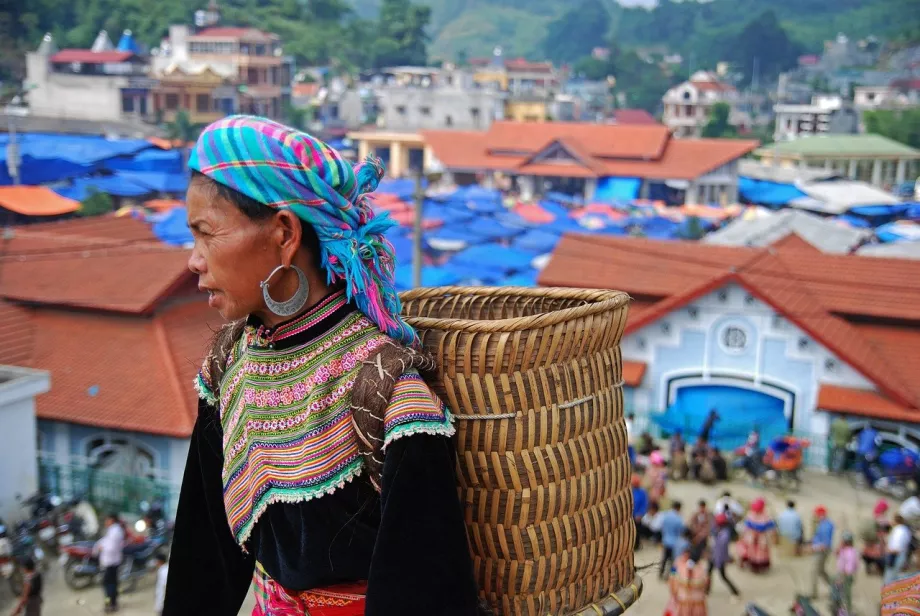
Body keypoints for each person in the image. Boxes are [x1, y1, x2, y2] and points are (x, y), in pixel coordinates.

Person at [163, 117, 479, 616]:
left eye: (206, 234)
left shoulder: (390, 394)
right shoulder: (228, 364)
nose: (194, 261)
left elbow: (426, 596)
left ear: (285, 232)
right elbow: (202, 567)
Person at [94, 513, 125, 613]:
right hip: (112, 561)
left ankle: (111, 604)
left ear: (111, 520)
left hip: (111, 561)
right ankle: (112, 603)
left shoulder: (115, 531)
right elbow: (106, 541)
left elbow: (111, 547)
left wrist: (101, 547)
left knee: (109, 584)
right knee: (112, 583)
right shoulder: (113, 530)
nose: (105, 522)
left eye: (107, 520)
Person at [737, 498, 776, 573]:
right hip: (762, 539)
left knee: (752, 552)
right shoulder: (766, 517)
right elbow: (771, 528)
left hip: (751, 538)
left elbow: (745, 527)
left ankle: (753, 566)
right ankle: (760, 567)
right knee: (761, 553)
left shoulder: (750, 515)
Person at [665, 550, 710, 616]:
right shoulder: (702, 568)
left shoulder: (679, 565)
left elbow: (672, 579)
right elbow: (706, 582)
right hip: (697, 600)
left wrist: (674, 593)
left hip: (684, 600)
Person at [708, 514, 740, 601]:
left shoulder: (725, 535)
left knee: (723, 576)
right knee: (708, 573)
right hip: (713, 556)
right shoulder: (719, 530)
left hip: (719, 559)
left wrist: (721, 561)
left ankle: (735, 592)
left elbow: (721, 550)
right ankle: (707, 589)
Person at [811, 506, 835, 599]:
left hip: (822, 551)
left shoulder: (826, 525)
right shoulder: (823, 523)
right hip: (820, 549)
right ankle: (835, 587)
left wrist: (815, 547)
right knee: (821, 571)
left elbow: (825, 543)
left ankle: (813, 594)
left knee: (814, 571)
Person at [833, 531, 858, 615]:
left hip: (846, 576)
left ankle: (847, 612)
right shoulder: (843, 550)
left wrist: (842, 579)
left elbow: (849, 569)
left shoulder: (851, 552)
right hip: (842, 574)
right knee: (840, 595)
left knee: (846, 595)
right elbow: (836, 553)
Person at [659, 501, 685, 580]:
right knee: (673, 561)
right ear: (679, 508)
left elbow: (661, 526)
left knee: (664, 559)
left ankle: (660, 573)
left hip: (666, 541)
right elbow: (681, 531)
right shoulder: (678, 519)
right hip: (674, 543)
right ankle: (671, 575)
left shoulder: (665, 515)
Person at [884, 514, 912, 585]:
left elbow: (897, 548)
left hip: (895, 556)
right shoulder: (904, 529)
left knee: (890, 579)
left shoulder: (899, 531)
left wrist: (888, 551)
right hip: (899, 555)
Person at [632, 474, 649, 550]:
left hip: (637, 516)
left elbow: (644, 504)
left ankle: (636, 546)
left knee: (637, 531)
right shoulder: (630, 490)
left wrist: (640, 514)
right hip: (630, 515)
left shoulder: (642, 492)